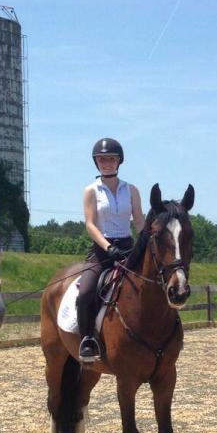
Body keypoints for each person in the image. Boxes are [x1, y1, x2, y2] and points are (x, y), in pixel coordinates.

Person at [76, 137, 144, 362]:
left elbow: (139, 221)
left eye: (111, 159)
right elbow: (90, 224)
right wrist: (108, 247)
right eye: (102, 159)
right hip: (101, 251)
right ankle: (88, 339)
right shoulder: (91, 190)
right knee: (86, 291)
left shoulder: (131, 190)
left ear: (119, 162)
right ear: (97, 163)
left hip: (128, 248)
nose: (107, 163)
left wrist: (144, 243)